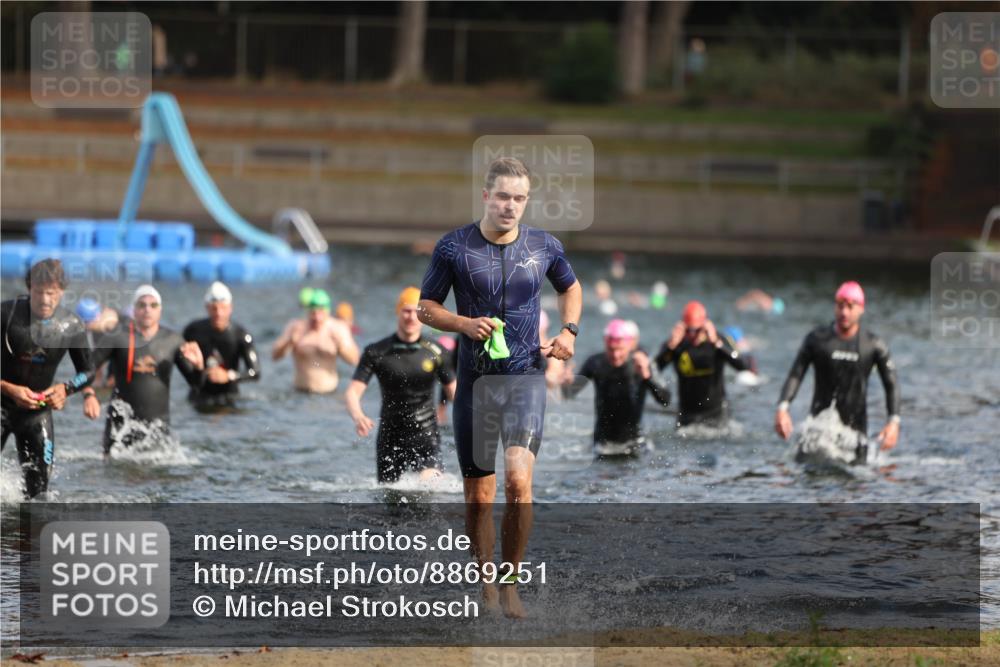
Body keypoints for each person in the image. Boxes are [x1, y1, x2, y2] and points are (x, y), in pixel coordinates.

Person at [418, 156, 582, 618]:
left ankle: (510, 584)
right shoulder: (454, 247)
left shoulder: (544, 245)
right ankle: (486, 585)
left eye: (520, 198)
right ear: (486, 196)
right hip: (475, 384)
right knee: (478, 499)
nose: (511, 206)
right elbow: (424, 308)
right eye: (503, 196)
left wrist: (569, 331)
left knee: (518, 480)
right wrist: (462, 323)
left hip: (526, 376)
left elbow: (572, 288)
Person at [775, 281, 900, 464]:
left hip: (855, 435)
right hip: (818, 433)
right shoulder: (817, 340)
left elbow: (891, 384)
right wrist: (782, 409)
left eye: (850, 306)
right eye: (840, 305)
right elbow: (796, 374)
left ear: (861, 309)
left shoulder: (873, 345)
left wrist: (893, 423)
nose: (844, 312)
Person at [1, 259, 96, 498]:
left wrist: (66, 389)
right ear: (29, 288)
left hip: (37, 413)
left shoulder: (71, 325)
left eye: (51, 293)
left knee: (39, 495)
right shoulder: (5, 314)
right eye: (39, 292)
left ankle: (28, 535)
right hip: (1, 404)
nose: (45, 299)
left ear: (61, 292)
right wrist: (7, 388)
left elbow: (88, 371)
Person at [345, 287, 457, 483]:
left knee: (428, 483)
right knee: (391, 496)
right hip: (390, 437)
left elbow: (455, 393)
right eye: (406, 311)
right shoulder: (376, 352)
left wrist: (479, 415)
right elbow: (352, 393)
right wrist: (358, 416)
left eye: (417, 312)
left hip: (426, 434)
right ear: (398, 312)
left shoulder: (437, 352)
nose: (411, 317)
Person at [90, 286, 205, 454]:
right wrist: (89, 394)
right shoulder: (117, 337)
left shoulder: (173, 340)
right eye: (142, 305)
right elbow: (86, 368)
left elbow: (196, 385)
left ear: (160, 310)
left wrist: (199, 367)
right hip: (121, 428)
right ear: (134, 310)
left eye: (153, 305)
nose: (147, 310)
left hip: (157, 431)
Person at [561, 319, 671, 457]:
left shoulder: (642, 364)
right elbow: (568, 393)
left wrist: (647, 377)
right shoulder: (595, 363)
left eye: (620, 349)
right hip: (602, 444)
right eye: (611, 350)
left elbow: (665, 400)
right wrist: (565, 383)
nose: (616, 355)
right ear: (605, 344)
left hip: (633, 444)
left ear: (630, 345)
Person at [655, 300, 753, 427]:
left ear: (705, 325)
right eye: (689, 330)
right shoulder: (675, 344)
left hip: (716, 413)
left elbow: (743, 365)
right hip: (687, 414)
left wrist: (718, 344)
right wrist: (670, 347)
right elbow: (654, 370)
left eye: (697, 330)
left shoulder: (718, 340)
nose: (693, 335)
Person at [183, 282, 260, 409]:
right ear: (207, 308)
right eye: (214, 308)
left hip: (229, 396)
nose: (218, 313)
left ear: (231, 308)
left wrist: (228, 375)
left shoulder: (241, 335)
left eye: (223, 308)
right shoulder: (193, 331)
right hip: (200, 396)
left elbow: (255, 372)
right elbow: (179, 360)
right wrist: (198, 369)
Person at [272, 288, 359, 394]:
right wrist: (289, 342)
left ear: (328, 311)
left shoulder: (338, 329)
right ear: (308, 311)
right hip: (300, 394)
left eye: (320, 313)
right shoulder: (296, 327)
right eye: (313, 313)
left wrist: (340, 346)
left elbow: (355, 360)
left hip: (329, 394)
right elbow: (275, 356)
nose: (317, 318)